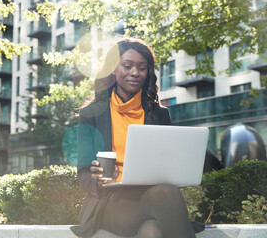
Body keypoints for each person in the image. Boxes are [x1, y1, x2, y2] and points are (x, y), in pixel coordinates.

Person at [71, 38, 197, 238]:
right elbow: (83, 175)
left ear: (148, 73)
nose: (135, 73)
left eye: (142, 68)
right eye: (127, 66)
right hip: (109, 203)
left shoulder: (159, 114)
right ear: (113, 68)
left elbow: (169, 166)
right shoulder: (91, 114)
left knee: (151, 232)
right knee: (166, 194)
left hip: (150, 198)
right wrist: (99, 180)